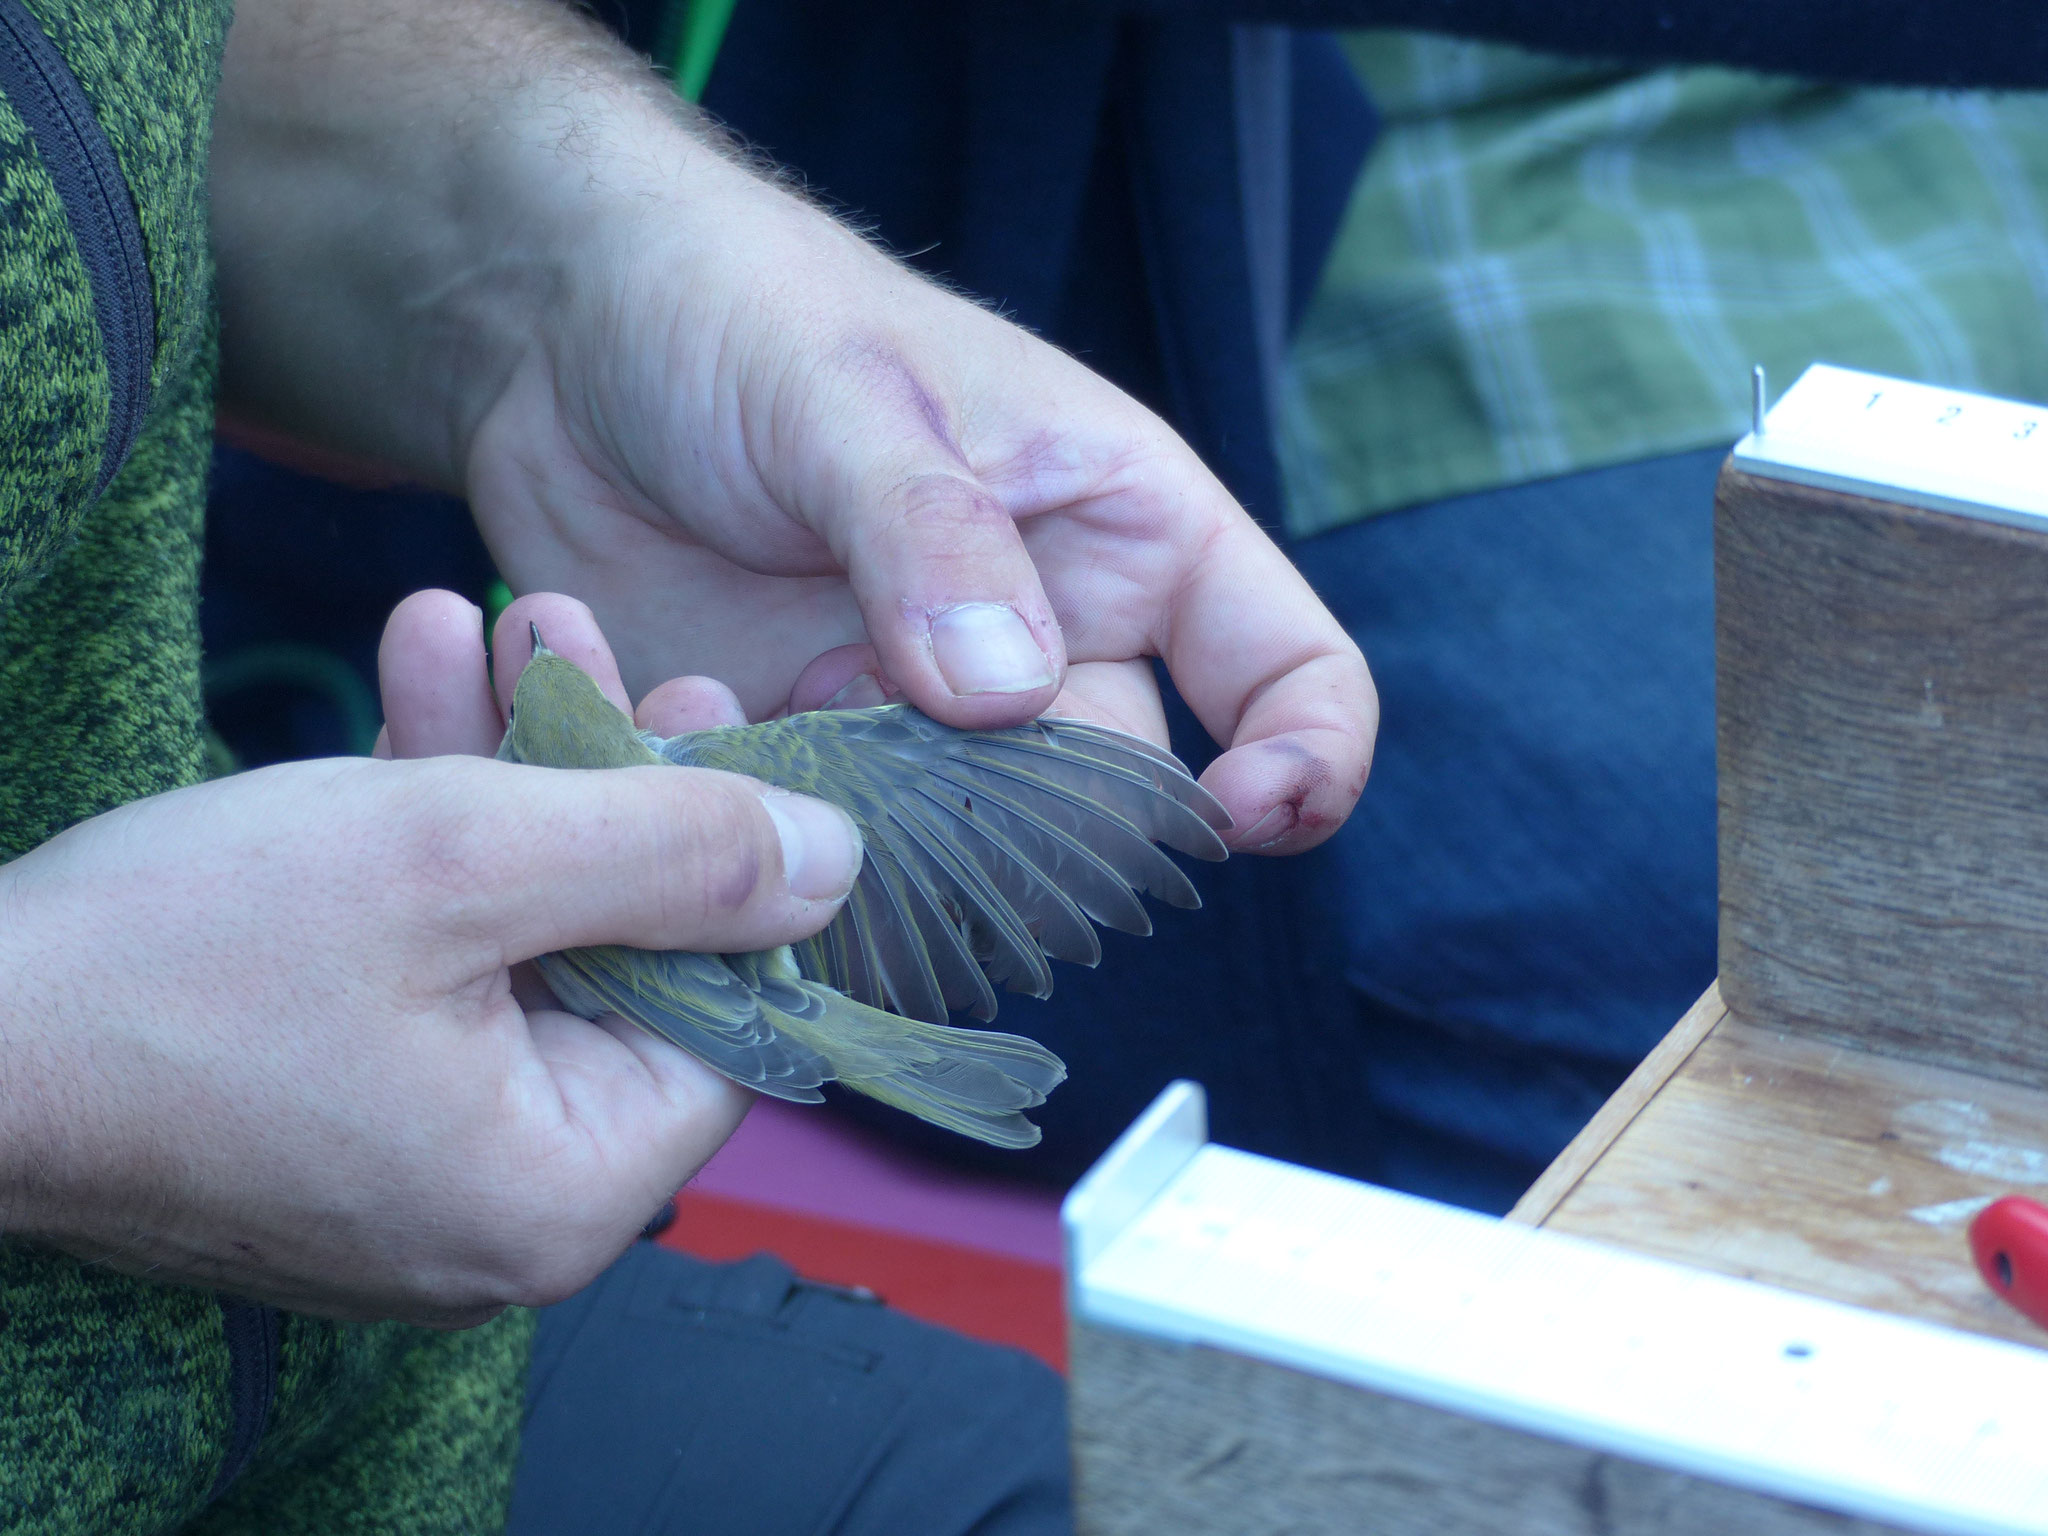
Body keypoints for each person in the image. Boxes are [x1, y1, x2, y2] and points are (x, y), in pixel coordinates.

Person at [0, 0, 1374, 1530]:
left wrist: (564, 254)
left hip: (379, 1390)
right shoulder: (719, 774)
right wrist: (39, 1064)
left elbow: (132, 74)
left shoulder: (732, 751)